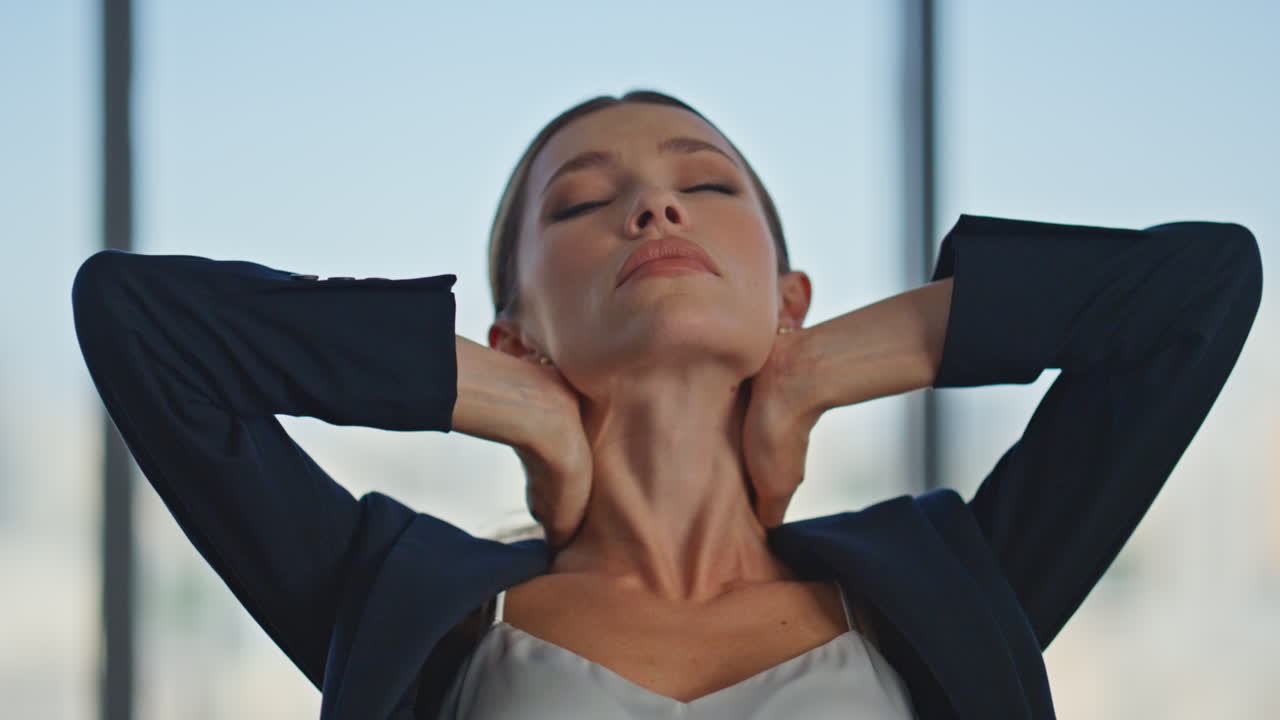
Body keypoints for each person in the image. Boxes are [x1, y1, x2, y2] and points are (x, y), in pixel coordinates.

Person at [71, 89, 1263, 719]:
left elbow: (1197, 290)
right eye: (582, 203)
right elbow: (138, 321)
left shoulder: (947, 584)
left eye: (704, 184)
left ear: (787, 299)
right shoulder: (406, 604)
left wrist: (817, 371)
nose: (653, 209)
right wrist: (513, 403)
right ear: (515, 334)